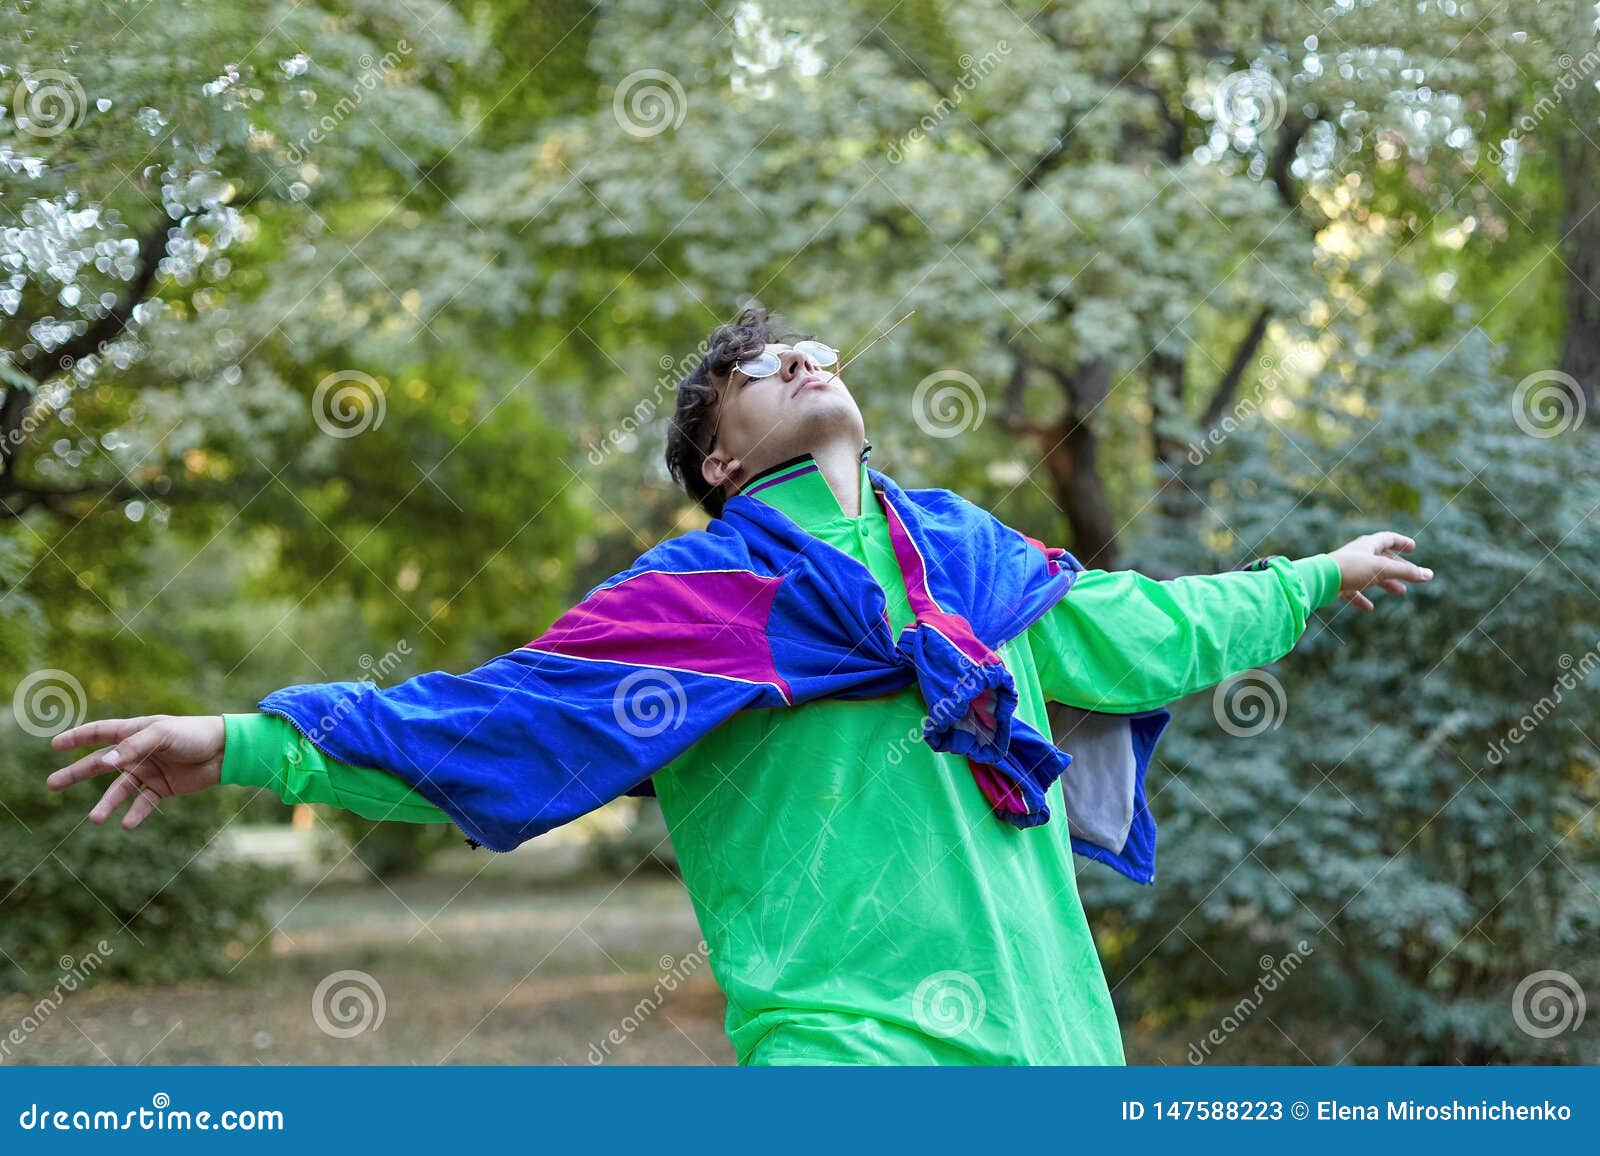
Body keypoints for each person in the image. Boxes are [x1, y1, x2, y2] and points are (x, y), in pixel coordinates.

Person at [46, 306, 1434, 1065]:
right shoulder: (689, 611)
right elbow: (481, 726)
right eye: (755, 370)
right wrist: (240, 742)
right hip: (842, 1056)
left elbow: (1162, 626)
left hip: (1057, 1047)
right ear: (717, 460)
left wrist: (1313, 577)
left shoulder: (977, 568)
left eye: (815, 351)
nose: (801, 360)